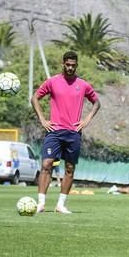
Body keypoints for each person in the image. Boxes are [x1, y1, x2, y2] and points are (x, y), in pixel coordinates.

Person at [31, 50, 101, 214]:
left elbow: (97, 103)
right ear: (63, 64)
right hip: (54, 131)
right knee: (46, 165)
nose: (70, 68)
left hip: (73, 133)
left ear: (76, 65)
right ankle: (41, 203)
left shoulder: (83, 84)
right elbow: (34, 98)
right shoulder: (52, 82)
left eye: (73, 65)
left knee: (69, 168)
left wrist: (86, 120)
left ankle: (61, 205)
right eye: (67, 65)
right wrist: (42, 119)